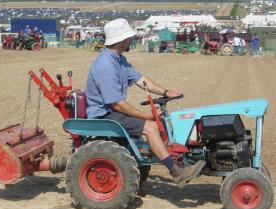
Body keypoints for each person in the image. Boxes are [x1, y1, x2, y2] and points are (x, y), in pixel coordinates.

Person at [85, 18, 206, 187]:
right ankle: (176, 172)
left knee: (157, 121)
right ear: (121, 40)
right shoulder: (105, 65)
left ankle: (176, 158)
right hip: (103, 114)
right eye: (129, 38)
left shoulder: (119, 60)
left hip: (112, 110)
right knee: (150, 126)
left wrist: (165, 92)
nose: (131, 40)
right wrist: (146, 116)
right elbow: (116, 103)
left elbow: (141, 79)